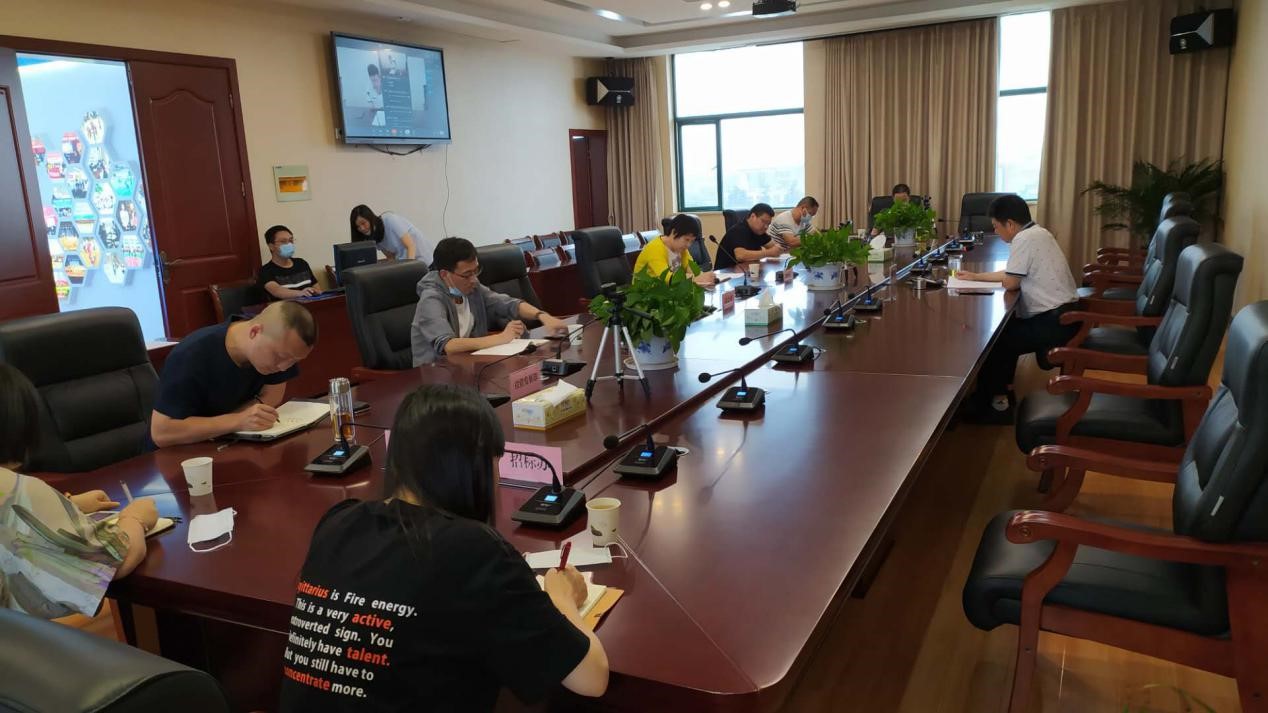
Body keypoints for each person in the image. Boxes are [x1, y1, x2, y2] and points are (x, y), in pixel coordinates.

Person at [278, 384, 609, 712]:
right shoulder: (474, 552)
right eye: (494, 461)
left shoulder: (338, 521)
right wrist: (563, 597)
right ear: (472, 464)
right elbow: (592, 679)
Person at [0, 364, 159, 619]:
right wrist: (136, 518)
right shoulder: (16, 490)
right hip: (17, 638)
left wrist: (67, 504)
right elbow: (108, 565)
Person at [955, 195, 1079, 423]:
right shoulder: (1038, 232)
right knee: (1003, 331)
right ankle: (1002, 392)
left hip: (1055, 322)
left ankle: (993, 405)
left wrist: (979, 279)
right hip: (1065, 315)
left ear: (1010, 224)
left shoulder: (1024, 239)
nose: (996, 232)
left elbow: (1011, 282)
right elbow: (1012, 273)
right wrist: (975, 276)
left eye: (996, 227)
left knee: (994, 340)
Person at [149, 301, 318, 448]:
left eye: (293, 361)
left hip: (227, 445)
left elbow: (273, 394)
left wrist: (244, 420)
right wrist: (237, 421)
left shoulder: (280, 347)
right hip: (176, 459)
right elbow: (161, 433)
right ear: (255, 332)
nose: (283, 368)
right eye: (279, 357)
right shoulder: (191, 355)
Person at [411, 237, 568, 365]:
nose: (474, 279)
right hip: (436, 376)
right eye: (467, 274)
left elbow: (507, 303)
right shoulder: (431, 298)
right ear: (445, 275)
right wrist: (500, 338)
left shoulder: (472, 288)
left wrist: (542, 316)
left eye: (476, 271)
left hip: (470, 365)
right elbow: (448, 345)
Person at [633, 213, 716, 287]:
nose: (688, 245)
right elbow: (668, 279)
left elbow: (692, 269)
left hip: (668, 292)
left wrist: (704, 277)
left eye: (691, 241)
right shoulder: (655, 249)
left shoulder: (682, 249)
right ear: (674, 232)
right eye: (686, 239)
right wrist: (695, 278)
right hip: (646, 294)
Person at [350, 204, 433, 264]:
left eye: (363, 223)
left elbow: (411, 246)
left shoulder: (389, 220)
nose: (362, 228)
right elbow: (391, 257)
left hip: (423, 257)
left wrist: (409, 269)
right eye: (358, 226)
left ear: (370, 218)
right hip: (406, 262)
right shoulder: (374, 237)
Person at [258, 225, 319, 300]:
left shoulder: (301, 263)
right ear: (271, 246)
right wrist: (301, 293)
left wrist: (315, 292)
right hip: (285, 307)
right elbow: (277, 291)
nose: (289, 244)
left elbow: (316, 287)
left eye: (291, 240)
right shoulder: (265, 271)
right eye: (283, 241)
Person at [713, 203, 778, 270]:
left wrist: (778, 249)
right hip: (726, 273)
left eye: (768, 224)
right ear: (753, 216)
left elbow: (775, 247)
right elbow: (741, 256)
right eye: (763, 221)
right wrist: (769, 253)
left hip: (746, 271)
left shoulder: (759, 231)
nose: (766, 227)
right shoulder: (738, 230)